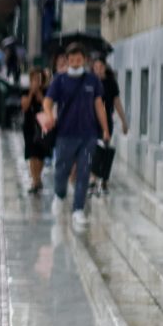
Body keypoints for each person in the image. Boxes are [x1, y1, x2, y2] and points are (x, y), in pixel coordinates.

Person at [41, 43, 111, 231]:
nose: (75, 62)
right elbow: (47, 101)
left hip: (88, 134)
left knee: (84, 171)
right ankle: (59, 195)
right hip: (65, 134)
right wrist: (48, 114)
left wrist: (105, 129)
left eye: (78, 59)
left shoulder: (92, 80)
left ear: (84, 60)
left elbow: (99, 106)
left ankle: (78, 209)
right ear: (67, 60)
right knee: (62, 169)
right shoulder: (60, 80)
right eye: (71, 59)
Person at [91, 57, 129, 194]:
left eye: (101, 66)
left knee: (105, 150)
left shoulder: (111, 83)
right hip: (92, 121)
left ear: (105, 67)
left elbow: (117, 102)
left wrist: (124, 121)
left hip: (107, 121)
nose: (98, 70)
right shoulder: (91, 82)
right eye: (96, 67)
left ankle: (104, 180)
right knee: (94, 150)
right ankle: (93, 179)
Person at [21, 68, 52, 193]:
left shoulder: (47, 91)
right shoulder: (25, 91)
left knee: (40, 154)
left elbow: (47, 106)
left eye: (38, 79)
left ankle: (38, 178)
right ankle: (35, 180)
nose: (35, 82)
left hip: (43, 126)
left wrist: (39, 94)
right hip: (29, 126)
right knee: (32, 154)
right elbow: (24, 107)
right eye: (33, 79)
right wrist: (31, 94)